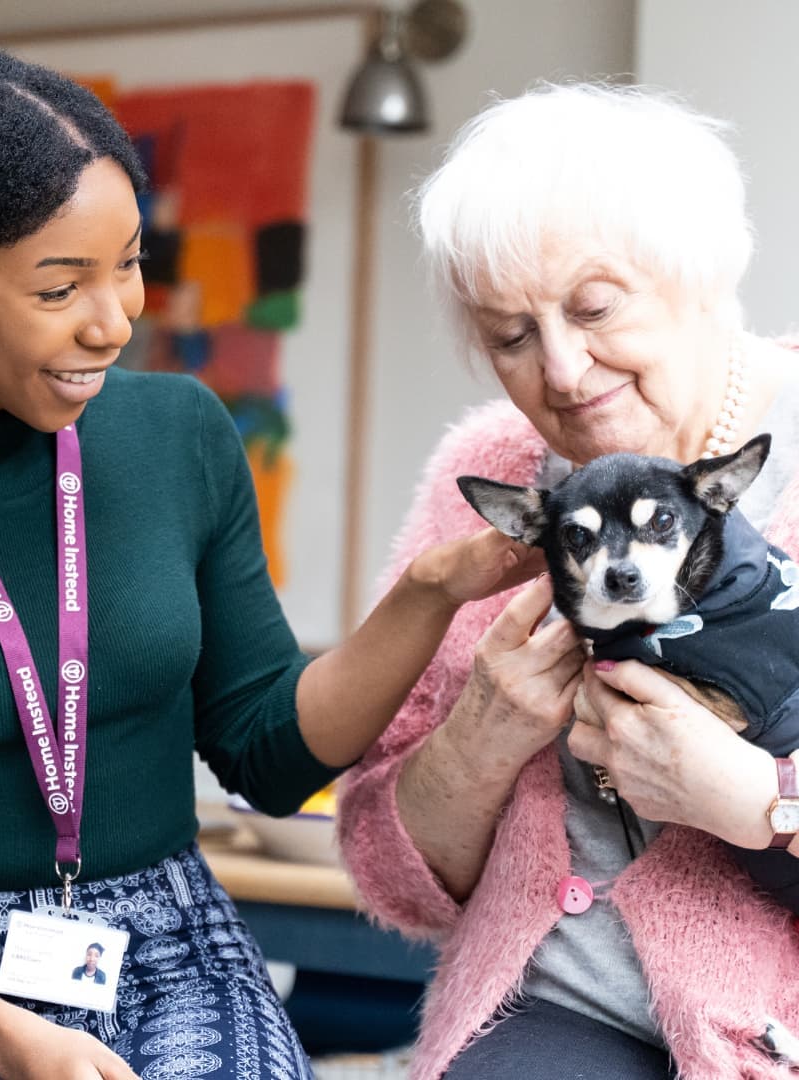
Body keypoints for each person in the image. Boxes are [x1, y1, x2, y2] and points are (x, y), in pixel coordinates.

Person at [0, 44, 533, 1080]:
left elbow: (268, 752)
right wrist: (5, 1036)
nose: (115, 317)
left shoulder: (181, 434)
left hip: (169, 928)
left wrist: (427, 594)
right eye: (60, 286)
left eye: (129, 263)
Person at [337, 82, 799, 1080]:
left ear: (700, 272)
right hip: (546, 1025)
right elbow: (389, 875)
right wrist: (482, 734)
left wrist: (762, 803)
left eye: (593, 309)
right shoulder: (488, 485)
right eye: (510, 335)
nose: (561, 370)